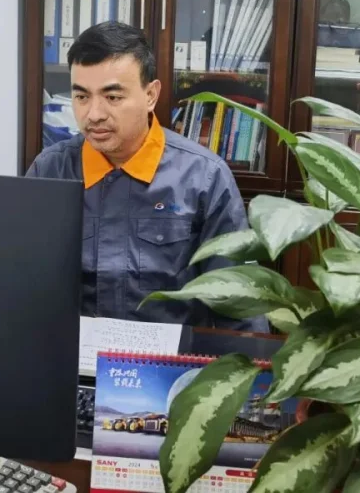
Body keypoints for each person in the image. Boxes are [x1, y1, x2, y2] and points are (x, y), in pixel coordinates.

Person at [26, 21, 266, 331]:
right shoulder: (51, 170)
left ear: (151, 95)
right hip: (72, 356)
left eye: (113, 97)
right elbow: (24, 284)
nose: (94, 114)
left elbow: (239, 305)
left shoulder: (204, 177)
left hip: (170, 359)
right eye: (82, 97)